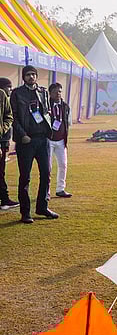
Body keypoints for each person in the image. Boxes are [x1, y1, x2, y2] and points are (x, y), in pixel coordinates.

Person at [10, 65, 58, 223]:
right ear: (24, 77)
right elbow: (14, 117)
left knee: (46, 173)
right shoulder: (17, 93)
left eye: (33, 74)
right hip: (26, 141)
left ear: (37, 76)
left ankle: (42, 207)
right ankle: (25, 213)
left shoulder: (43, 92)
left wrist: (49, 129)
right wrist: (22, 135)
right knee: (25, 177)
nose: (31, 77)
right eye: (28, 75)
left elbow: (46, 112)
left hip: (42, 139)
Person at [48, 82, 72, 198]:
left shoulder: (65, 106)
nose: (58, 94)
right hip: (48, 140)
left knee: (63, 164)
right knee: (47, 167)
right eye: (55, 91)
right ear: (50, 93)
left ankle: (60, 189)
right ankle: (46, 191)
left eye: (59, 91)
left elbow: (68, 122)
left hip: (61, 140)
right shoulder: (46, 105)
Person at [0, 77, 19, 210]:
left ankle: (5, 199)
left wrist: (3, 128)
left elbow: (9, 116)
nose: (10, 90)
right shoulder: (2, 94)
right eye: (8, 87)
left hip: (3, 141)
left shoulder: (6, 98)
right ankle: (5, 200)